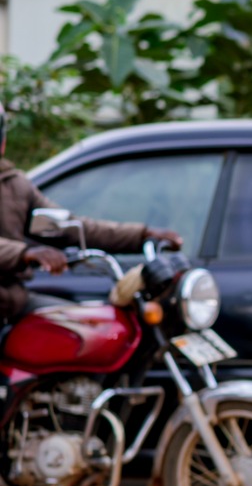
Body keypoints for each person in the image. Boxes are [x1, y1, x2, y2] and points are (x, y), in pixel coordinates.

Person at [0, 104, 182, 323]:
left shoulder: (15, 187)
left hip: (14, 303)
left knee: (90, 329)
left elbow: (67, 227)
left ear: (3, 142)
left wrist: (141, 235)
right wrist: (24, 253)